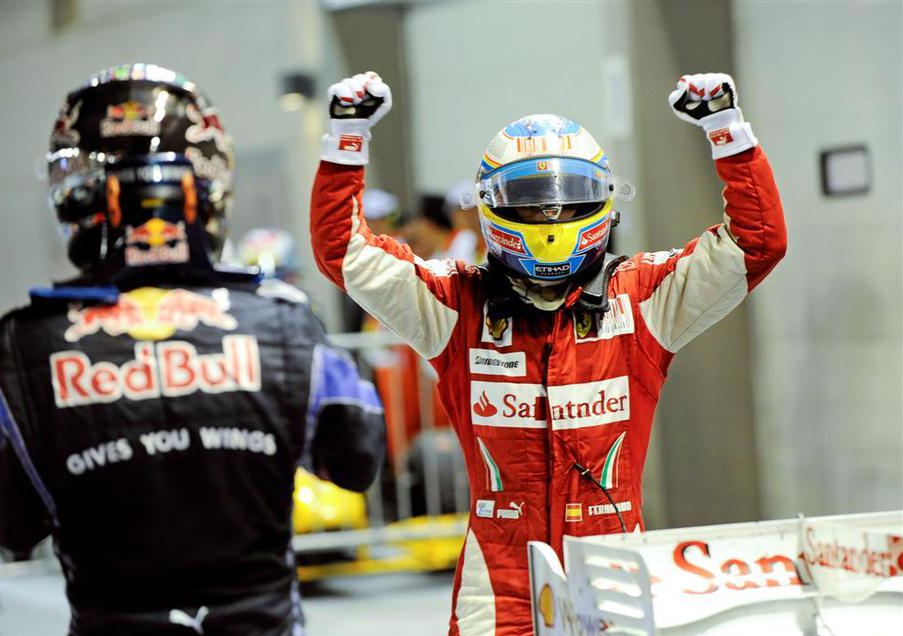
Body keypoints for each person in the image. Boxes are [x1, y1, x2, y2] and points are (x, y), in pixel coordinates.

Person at [310, 71, 786, 634]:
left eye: (567, 202)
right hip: (499, 581)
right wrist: (346, 137)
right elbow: (344, 252)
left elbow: (756, 243)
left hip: (613, 572)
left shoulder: (643, 299)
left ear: (602, 202)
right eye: (531, 205)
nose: (551, 218)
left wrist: (727, 129)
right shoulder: (453, 305)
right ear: (491, 208)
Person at [0, 63, 385, 636]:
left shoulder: (17, 342)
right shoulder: (285, 318)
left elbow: (11, 524)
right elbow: (358, 458)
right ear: (207, 181)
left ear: (81, 190)